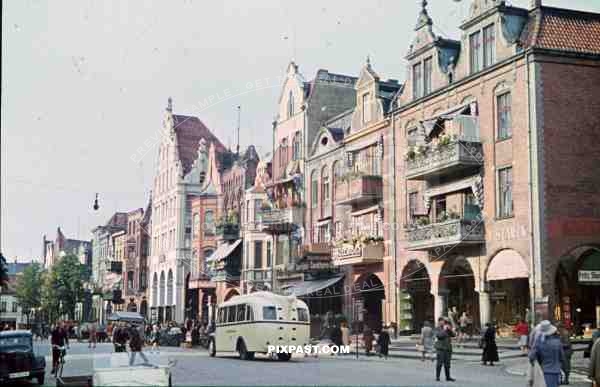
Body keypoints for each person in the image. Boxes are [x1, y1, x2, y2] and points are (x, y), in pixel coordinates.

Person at [528, 320, 564, 387]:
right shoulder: (558, 342)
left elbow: (531, 357)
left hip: (544, 372)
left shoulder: (539, 343)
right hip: (556, 372)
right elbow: (562, 358)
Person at [434, 317, 456, 382]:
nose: (444, 322)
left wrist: (450, 330)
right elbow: (439, 336)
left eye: (445, 321)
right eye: (443, 321)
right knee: (439, 363)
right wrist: (444, 330)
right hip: (440, 349)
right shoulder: (437, 328)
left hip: (448, 349)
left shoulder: (447, 328)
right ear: (439, 321)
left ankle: (448, 377)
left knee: (447, 364)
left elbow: (453, 335)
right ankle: (437, 377)